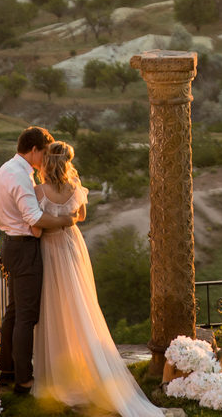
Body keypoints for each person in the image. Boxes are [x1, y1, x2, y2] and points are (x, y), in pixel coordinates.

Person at [33, 140, 163, 417]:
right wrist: (66, 216)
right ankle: (85, 363)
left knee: (53, 304)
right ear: (68, 162)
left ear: (46, 163)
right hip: (71, 245)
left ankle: (56, 374)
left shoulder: (38, 191)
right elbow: (80, 216)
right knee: (79, 300)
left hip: (49, 247)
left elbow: (36, 224)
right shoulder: (74, 189)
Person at [0, 126, 79, 395]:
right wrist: (65, 220)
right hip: (24, 249)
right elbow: (35, 218)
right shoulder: (20, 177)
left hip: (11, 244)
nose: (45, 159)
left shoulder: (7, 169)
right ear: (34, 150)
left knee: (14, 312)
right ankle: (24, 380)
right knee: (26, 317)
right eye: (43, 153)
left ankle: (7, 371)